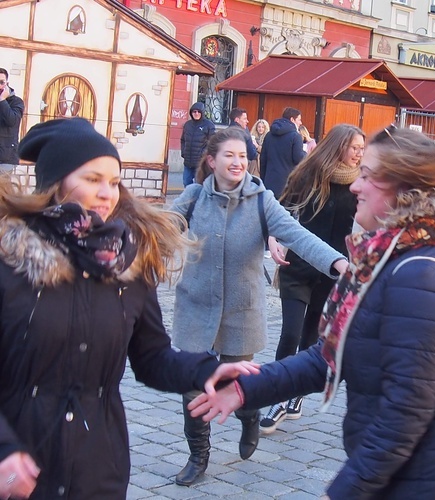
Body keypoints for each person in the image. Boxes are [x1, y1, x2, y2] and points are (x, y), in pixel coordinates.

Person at [189, 126, 435, 498]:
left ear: (404, 191)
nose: (355, 186)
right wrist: (244, 389)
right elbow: (331, 357)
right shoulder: (390, 258)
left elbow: (402, 419)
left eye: (367, 176)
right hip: (403, 476)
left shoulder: (419, 277)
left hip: (424, 482)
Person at [0, 117, 254, 499]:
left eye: (115, 182)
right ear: (55, 184)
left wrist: (208, 369)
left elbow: (152, 357)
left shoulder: (127, 267)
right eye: (92, 179)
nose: (108, 193)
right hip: (20, 466)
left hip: (98, 467)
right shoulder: (10, 261)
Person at [169, 127, 348, 487]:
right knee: (193, 387)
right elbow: (160, 229)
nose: (237, 162)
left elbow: (299, 236)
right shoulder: (192, 197)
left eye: (242, 156)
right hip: (195, 306)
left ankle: (249, 417)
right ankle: (198, 455)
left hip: (240, 310)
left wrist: (340, 265)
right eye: (228, 156)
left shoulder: (261, 200)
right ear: (211, 161)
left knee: (237, 383)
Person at [259, 124, 364, 434]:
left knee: (310, 335)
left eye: (362, 147)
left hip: (334, 271)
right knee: (289, 333)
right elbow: (282, 210)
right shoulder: (308, 174)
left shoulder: (362, 183)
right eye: (355, 147)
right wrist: (273, 238)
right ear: (339, 146)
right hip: (298, 266)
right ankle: (279, 395)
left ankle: (297, 393)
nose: (360, 153)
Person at [260, 107, 305, 198]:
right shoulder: (296, 136)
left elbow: (263, 160)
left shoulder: (269, 135)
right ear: (292, 119)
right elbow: (298, 158)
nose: (301, 123)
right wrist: (307, 155)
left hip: (269, 182)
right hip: (287, 184)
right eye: (299, 120)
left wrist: (263, 180)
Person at [180, 101, 215, 187]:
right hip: (188, 160)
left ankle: (198, 200)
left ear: (202, 113)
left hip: (200, 162)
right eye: (194, 111)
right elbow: (183, 140)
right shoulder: (187, 125)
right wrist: (183, 152)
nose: (196, 113)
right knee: (186, 182)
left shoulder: (209, 125)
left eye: (198, 111)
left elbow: (212, 143)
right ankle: (189, 199)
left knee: (198, 183)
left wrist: (204, 155)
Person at [0, 68, 24, 173]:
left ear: (7, 83)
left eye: (1, 82)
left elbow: (12, 121)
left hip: (6, 157)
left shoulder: (16, 102)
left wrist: (2, 101)